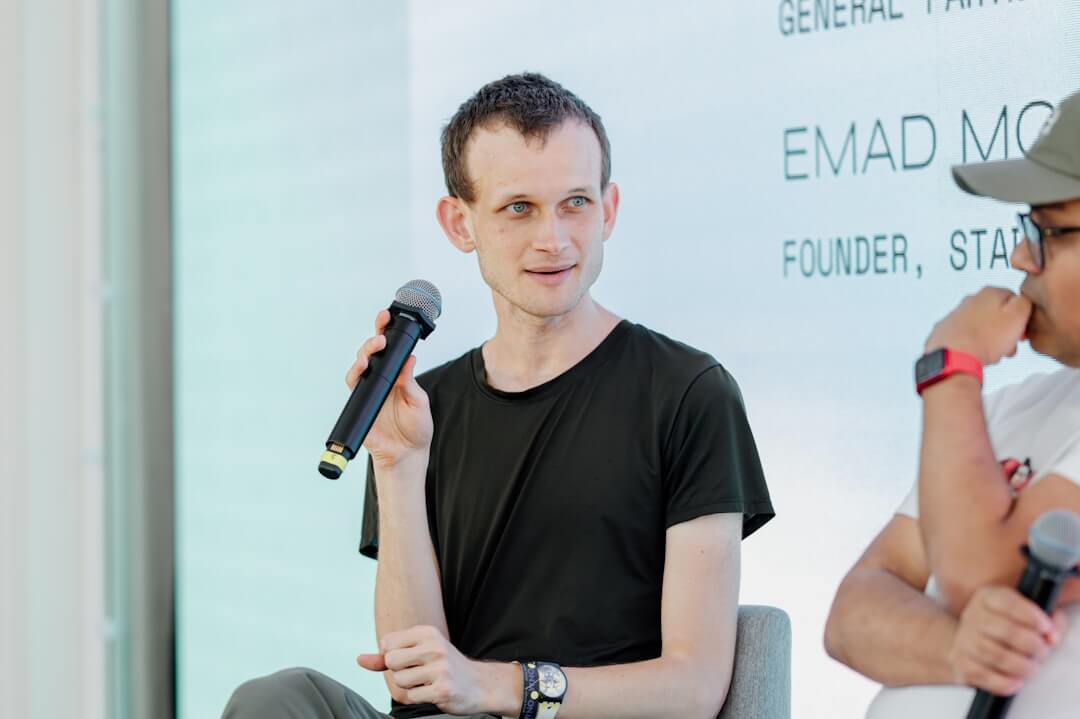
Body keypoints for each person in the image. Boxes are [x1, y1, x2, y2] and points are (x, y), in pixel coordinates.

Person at [223, 72, 774, 719]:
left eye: (575, 203)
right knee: (275, 699)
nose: (554, 239)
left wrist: (499, 685)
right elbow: (415, 682)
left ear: (610, 209)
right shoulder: (422, 408)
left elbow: (696, 685)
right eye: (519, 208)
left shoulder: (689, 393)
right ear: (460, 222)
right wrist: (398, 465)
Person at [824, 90, 1080, 718]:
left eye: (1044, 232)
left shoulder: (963, 397)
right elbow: (852, 613)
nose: (1020, 256)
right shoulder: (1007, 410)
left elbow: (987, 577)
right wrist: (958, 646)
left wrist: (952, 367)